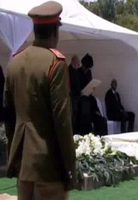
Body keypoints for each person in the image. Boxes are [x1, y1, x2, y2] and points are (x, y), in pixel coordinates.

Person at [4, 1, 76, 200]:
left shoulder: (14, 63)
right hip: (48, 165)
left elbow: (8, 117)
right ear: (55, 31)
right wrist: (70, 168)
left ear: (35, 30)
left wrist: (14, 156)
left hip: (23, 163)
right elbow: (62, 121)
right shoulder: (55, 63)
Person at [68, 55, 81, 133]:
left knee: (76, 115)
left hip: (76, 96)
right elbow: (71, 84)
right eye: (78, 62)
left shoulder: (75, 71)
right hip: (72, 97)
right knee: (73, 116)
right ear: (74, 61)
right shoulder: (69, 70)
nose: (79, 64)